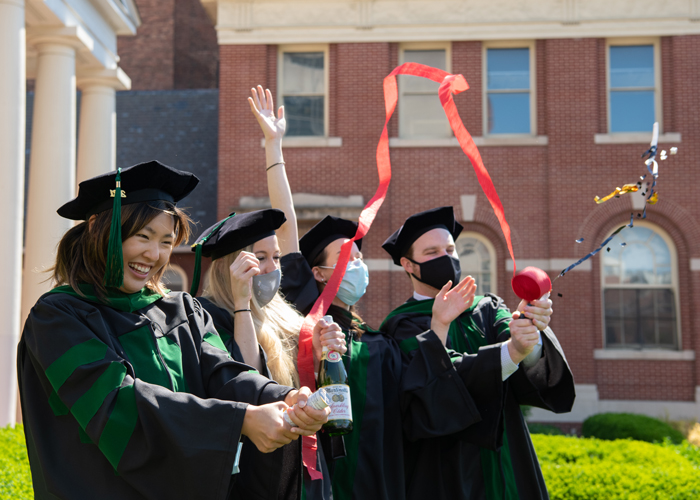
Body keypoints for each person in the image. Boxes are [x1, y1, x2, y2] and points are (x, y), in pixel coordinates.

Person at [17, 161, 329, 500]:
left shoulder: (182, 310)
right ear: (100, 231)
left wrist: (282, 397)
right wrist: (240, 420)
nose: (154, 255)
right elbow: (117, 403)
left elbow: (224, 374)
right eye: (143, 236)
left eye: (166, 241)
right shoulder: (58, 318)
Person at [249, 85, 480, 500]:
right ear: (317, 273)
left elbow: (418, 400)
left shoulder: (375, 336)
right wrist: (274, 146)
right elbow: (287, 232)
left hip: (388, 475)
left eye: (358, 256)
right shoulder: (307, 315)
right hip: (333, 475)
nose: (356, 264)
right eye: (344, 257)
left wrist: (440, 325)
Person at [379, 206, 576, 500]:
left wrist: (529, 333)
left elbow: (520, 350)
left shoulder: (487, 307)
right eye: (432, 252)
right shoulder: (400, 327)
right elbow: (435, 383)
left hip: (505, 450)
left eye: (450, 248)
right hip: (443, 462)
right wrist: (509, 351)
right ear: (408, 264)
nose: (445, 257)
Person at [192, 208, 346, 500]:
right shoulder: (206, 315)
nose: (272, 267)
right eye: (260, 257)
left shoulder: (285, 315)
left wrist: (318, 355)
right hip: (253, 464)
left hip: (300, 460)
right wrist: (242, 303)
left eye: (276, 257)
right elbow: (247, 381)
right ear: (229, 265)